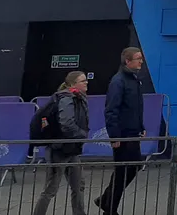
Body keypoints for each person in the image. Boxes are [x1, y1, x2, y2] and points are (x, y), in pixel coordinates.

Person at [96, 46, 146, 215]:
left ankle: (105, 200)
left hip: (133, 132)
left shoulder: (134, 79)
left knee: (133, 167)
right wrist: (114, 136)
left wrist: (141, 127)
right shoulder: (119, 81)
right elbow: (112, 110)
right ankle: (110, 207)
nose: (141, 61)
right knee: (123, 171)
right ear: (128, 61)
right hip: (123, 134)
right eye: (138, 58)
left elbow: (135, 108)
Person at [32, 70, 90, 215]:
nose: (86, 83)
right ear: (73, 84)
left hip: (72, 149)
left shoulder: (78, 98)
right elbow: (67, 124)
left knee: (78, 185)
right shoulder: (66, 99)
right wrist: (82, 134)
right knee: (51, 188)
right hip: (60, 149)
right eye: (83, 81)